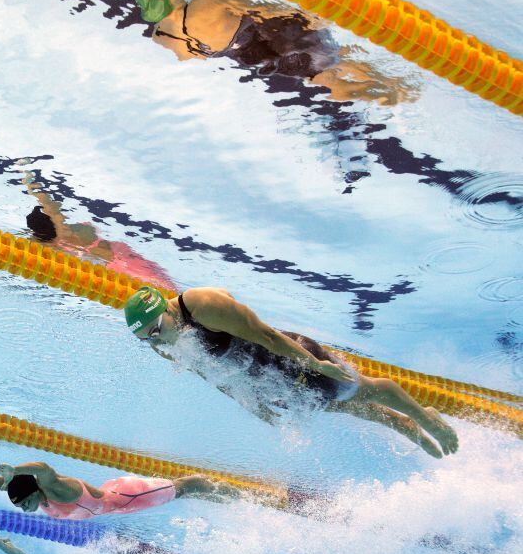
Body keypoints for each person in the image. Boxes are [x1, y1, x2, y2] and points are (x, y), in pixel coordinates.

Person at [125, 286, 459, 457]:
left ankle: (426, 417)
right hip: (268, 382)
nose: (156, 341)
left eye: (155, 330)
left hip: (291, 358)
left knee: (368, 389)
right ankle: (405, 425)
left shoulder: (205, 305)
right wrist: (250, 403)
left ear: (165, 309)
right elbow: (210, 373)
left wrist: (314, 362)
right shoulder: (162, 342)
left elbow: (267, 336)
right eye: (146, 339)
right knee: (346, 407)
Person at [134, 0, 417, 105]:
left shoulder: (162, 38)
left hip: (248, 56)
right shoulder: (208, 0)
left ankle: (361, 93)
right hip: (283, 36)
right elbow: (265, 7)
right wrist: (311, 15)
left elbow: (189, 54)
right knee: (336, 61)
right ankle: (394, 85)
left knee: (320, 75)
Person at [23, 168, 176, 291]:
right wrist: (28, 178)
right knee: (169, 292)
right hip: (121, 262)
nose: (59, 213)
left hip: (119, 260)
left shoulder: (58, 237)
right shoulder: (63, 233)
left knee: (170, 295)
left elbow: (48, 206)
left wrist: (29, 183)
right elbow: (49, 205)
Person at [0, 461, 240, 520]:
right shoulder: (35, 494)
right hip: (119, 500)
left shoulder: (56, 490)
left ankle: (242, 495)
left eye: (25, 504)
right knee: (182, 489)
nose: (24, 509)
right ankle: (226, 492)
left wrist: (16, 469)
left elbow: (44, 468)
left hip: (127, 496)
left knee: (187, 487)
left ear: (34, 492)